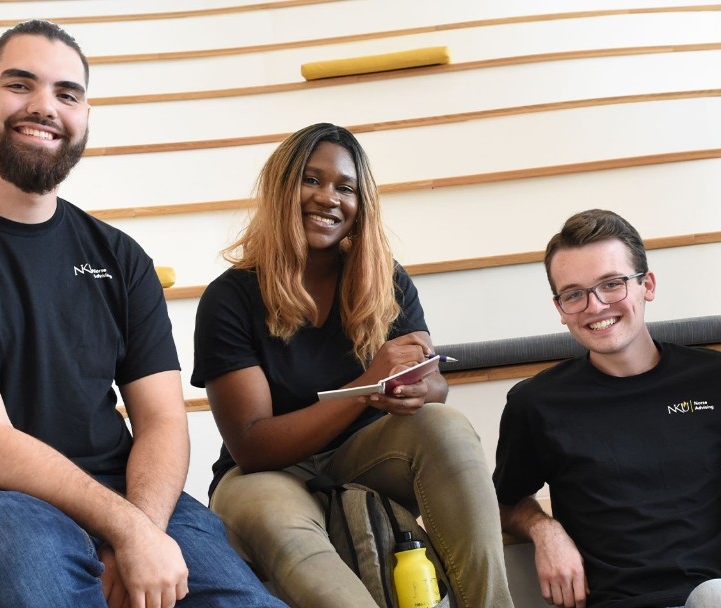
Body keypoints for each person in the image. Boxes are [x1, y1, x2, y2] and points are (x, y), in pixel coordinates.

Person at [0, 20, 285, 608]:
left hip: (131, 494)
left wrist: (140, 529)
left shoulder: (120, 258)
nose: (44, 107)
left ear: (84, 113)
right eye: (19, 85)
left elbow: (161, 420)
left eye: (67, 93)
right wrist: (125, 531)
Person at [191, 122, 513, 608]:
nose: (328, 198)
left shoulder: (385, 280)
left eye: (346, 188)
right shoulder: (229, 298)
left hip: (366, 453)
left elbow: (435, 387)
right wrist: (367, 386)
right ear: (282, 187)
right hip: (265, 474)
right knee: (278, 524)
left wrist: (420, 390)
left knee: (445, 425)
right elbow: (254, 445)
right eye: (311, 180)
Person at [493, 209, 721, 608]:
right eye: (574, 293)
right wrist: (545, 531)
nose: (595, 306)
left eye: (612, 284)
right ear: (559, 308)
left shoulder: (720, 377)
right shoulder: (535, 403)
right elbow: (505, 502)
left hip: (715, 595)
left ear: (648, 285)